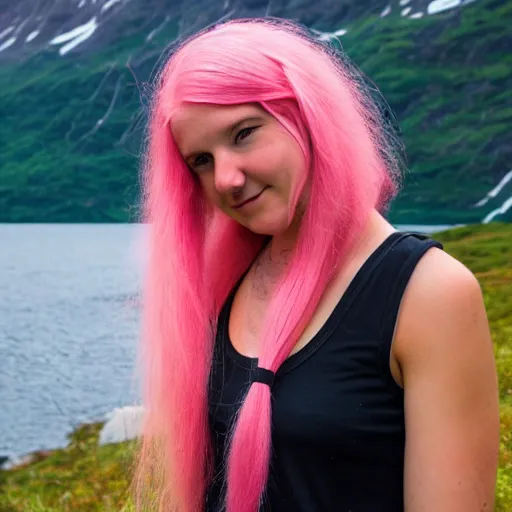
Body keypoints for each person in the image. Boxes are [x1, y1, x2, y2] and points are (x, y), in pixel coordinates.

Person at [132, 18, 500, 512]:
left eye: (244, 134)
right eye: (200, 159)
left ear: (310, 116)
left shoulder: (428, 293)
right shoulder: (225, 283)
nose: (225, 178)